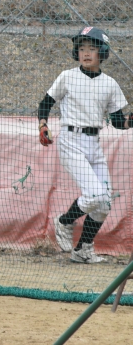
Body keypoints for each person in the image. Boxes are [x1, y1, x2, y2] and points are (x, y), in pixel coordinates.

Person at [39, 27, 131, 264]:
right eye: (81, 48)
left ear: (103, 52)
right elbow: (45, 102)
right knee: (95, 195)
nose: (86, 53)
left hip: (94, 144)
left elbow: (119, 122)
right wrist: (43, 124)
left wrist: (131, 120)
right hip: (71, 140)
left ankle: (82, 251)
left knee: (104, 204)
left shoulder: (110, 84)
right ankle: (64, 221)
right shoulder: (68, 76)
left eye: (92, 48)